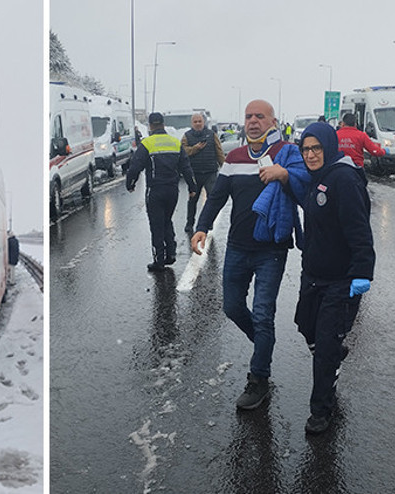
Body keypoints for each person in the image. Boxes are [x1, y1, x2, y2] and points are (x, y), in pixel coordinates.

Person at [191, 99, 307, 410]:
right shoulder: (234, 157)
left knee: (263, 313)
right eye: (248, 116)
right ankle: (264, 344)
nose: (253, 121)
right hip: (238, 247)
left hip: (271, 249)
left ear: (273, 122)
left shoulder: (288, 153)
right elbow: (217, 197)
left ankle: (259, 379)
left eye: (259, 116)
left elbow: (305, 190)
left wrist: (284, 174)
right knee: (232, 307)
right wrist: (202, 227)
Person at [294, 122, 375, 434]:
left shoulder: (343, 179)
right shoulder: (318, 178)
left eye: (316, 148)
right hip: (314, 274)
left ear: (328, 147)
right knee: (306, 326)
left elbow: (359, 229)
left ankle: (321, 410)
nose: (311, 154)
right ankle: (334, 354)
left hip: (341, 279)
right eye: (306, 149)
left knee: (325, 347)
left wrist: (362, 271)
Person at [126, 112, 197, 271]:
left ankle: (159, 260)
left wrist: (130, 184)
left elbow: (135, 166)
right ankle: (171, 253)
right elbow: (186, 167)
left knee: (156, 224)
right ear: (163, 124)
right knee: (167, 220)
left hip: (155, 190)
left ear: (150, 126)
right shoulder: (175, 142)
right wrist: (192, 187)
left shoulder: (147, 143)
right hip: (172, 190)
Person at [181, 112, 226, 237]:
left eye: (199, 121)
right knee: (192, 200)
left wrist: (225, 167)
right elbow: (183, 151)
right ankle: (189, 223)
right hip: (194, 173)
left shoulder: (211, 135)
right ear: (192, 123)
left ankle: (208, 222)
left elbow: (219, 152)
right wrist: (195, 148)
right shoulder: (186, 136)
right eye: (195, 122)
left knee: (212, 199)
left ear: (203, 122)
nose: (198, 124)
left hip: (210, 172)